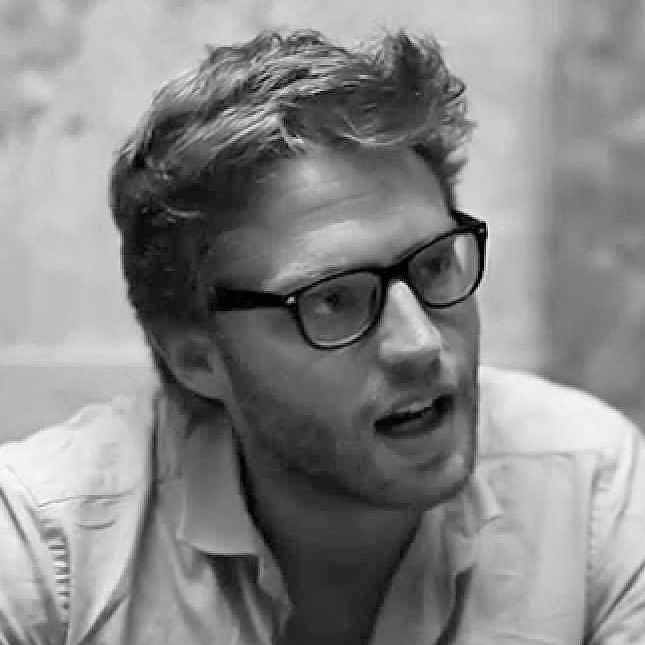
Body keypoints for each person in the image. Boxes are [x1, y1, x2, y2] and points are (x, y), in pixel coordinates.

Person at [1, 29, 644, 645]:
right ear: (197, 358)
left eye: (433, 266)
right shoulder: (48, 549)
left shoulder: (588, 488)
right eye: (333, 300)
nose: (419, 343)